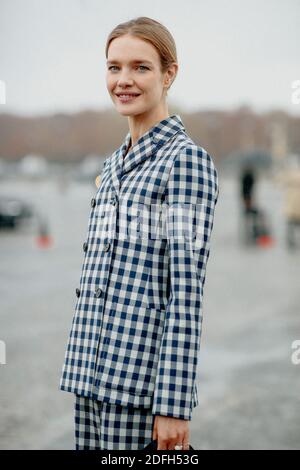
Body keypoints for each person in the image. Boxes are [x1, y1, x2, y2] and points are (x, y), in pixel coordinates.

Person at [59, 16, 219, 450]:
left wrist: (172, 405)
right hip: (88, 378)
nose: (123, 80)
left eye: (140, 67)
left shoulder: (184, 162)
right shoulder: (111, 165)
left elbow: (185, 293)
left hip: (139, 391)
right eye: (114, 67)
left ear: (169, 74)